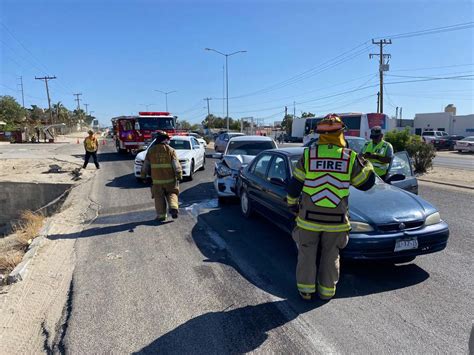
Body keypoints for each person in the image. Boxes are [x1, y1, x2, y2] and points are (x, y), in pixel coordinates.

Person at [286, 114, 375, 301]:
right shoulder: (350, 158)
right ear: (341, 133)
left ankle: (306, 291)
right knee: (331, 255)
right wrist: (366, 163)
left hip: (309, 219)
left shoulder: (309, 155)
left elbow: (295, 184)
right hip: (336, 221)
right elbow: (366, 184)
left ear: (320, 134)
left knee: (306, 254)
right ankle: (327, 293)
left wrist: (292, 204)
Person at [141, 131, 182, 222]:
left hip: (157, 181)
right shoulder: (171, 150)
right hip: (170, 180)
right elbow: (176, 165)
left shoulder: (151, 151)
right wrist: (179, 175)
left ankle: (161, 216)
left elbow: (146, 165)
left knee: (159, 198)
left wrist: (143, 176)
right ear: (165, 140)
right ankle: (173, 207)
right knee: (172, 194)